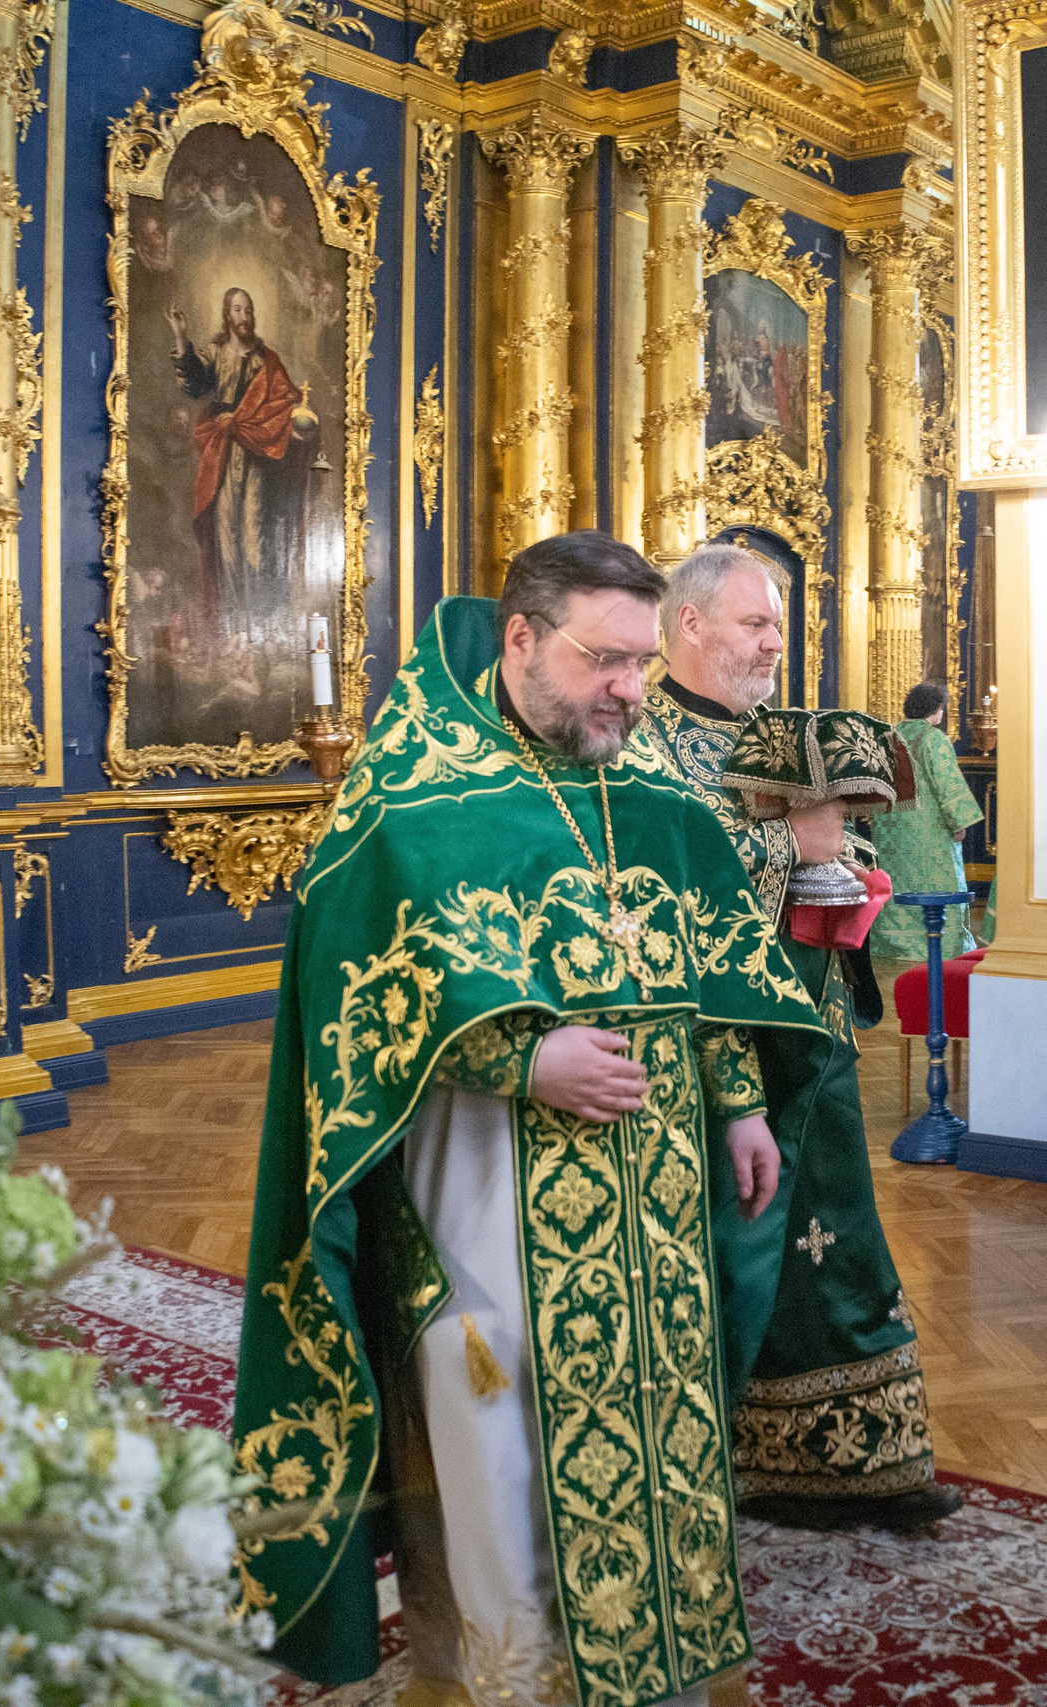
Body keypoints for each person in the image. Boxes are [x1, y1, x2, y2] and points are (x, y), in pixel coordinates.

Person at [233, 531, 836, 1702]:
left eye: (642, 662)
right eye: (603, 659)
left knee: (660, 1414)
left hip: (652, 1196)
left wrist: (740, 1105)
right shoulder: (415, 796)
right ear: (520, 637)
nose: (627, 689)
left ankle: (654, 1658)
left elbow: (708, 955)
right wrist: (521, 1053)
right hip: (485, 1189)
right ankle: (509, 1679)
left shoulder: (648, 784)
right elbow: (354, 988)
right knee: (494, 1422)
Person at [634, 541, 958, 1531]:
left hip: (806, 1032)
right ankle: (727, 1457)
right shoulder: (643, 744)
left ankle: (870, 1461)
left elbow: (844, 841)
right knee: (735, 1246)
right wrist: (788, 847)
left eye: (776, 624)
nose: (773, 642)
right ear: (688, 625)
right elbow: (658, 883)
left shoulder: (788, 734)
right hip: (707, 1047)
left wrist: (849, 875)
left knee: (837, 1233)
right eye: (753, 624)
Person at [169, 285, 313, 639]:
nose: (244, 317)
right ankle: (231, 619)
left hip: (257, 455)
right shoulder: (215, 354)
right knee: (224, 535)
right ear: (227, 315)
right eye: (237, 310)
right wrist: (181, 336)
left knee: (253, 531)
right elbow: (193, 383)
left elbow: (288, 398)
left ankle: (258, 617)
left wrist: (295, 418)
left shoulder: (267, 360)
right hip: (221, 454)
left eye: (248, 311)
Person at [868, 679, 992, 962]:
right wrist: (958, 821)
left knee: (897, 883)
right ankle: (938, 943)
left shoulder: (888, 736)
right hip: (929, 829)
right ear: (936, 709)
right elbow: (946, 784)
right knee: (936, 884)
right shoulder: (934, 739)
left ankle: (892, 944)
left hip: (890, 829)